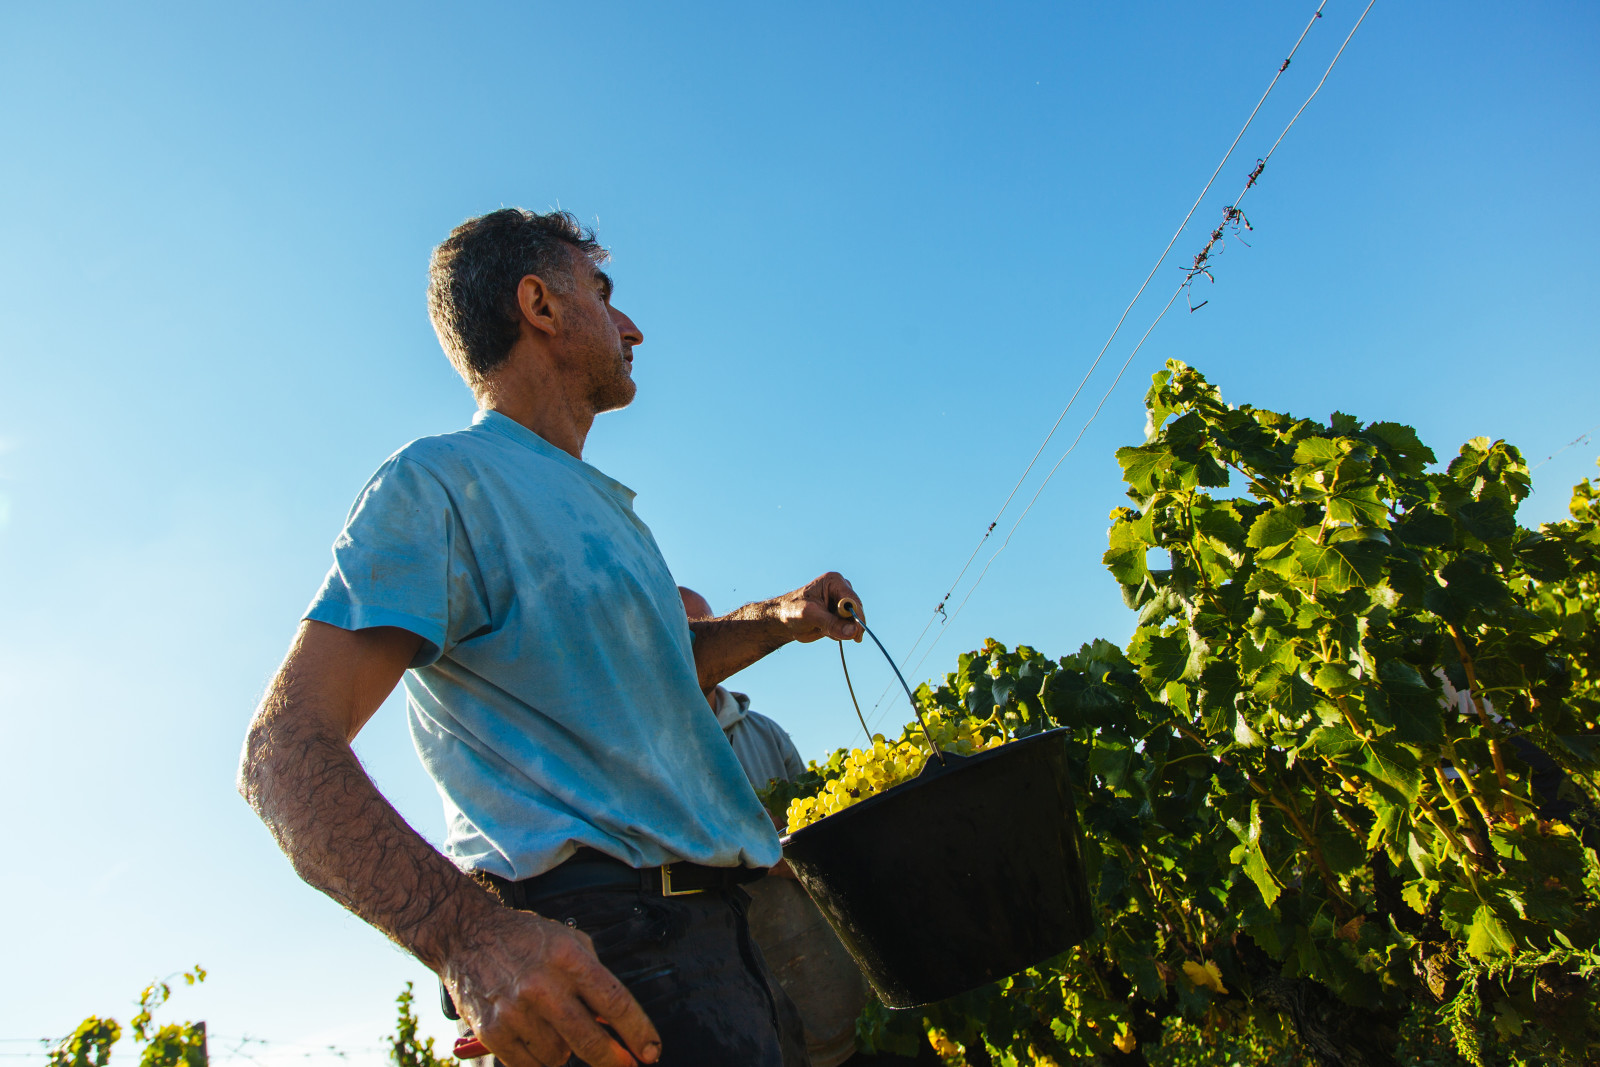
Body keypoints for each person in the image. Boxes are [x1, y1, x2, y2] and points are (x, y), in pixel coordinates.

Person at [237, 207, 866, 1067]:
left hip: (719, 954)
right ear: (539, 304)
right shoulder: (440, 483)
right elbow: (283, 753)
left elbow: (655, 671)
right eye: (603, 293)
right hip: (600, 962)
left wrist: (778, 618)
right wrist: (467, 936)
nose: (632, 325)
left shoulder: (610, 511)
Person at [677, 588, 936, 1067]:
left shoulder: (765, 733)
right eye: (686, 636)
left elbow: (816, 833)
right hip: (762, 1008)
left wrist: (778, 847)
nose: (699, 644)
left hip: (833, 976)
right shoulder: (657, 754)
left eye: (706, 630)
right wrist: (764, 848)